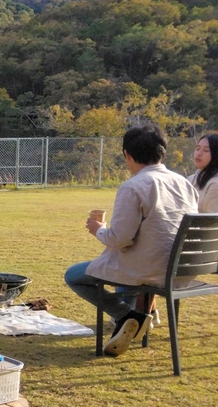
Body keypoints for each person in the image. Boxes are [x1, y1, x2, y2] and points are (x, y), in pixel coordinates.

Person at [64, 124, 198, 357]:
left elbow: (120, 239)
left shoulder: (133, 186)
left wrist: (98, 230)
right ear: (162, 151)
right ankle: (133, 317)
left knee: (75, 276)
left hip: (146, 269)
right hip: (181, 270)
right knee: (125, 270)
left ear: (127, 154)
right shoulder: (184, 183)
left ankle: (127, 316)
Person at [188, 133, 218, 212]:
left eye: (206, 150)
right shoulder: (190, 179)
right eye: (198, 149)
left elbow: (210, 221)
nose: (199, 153)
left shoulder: (215, 184)